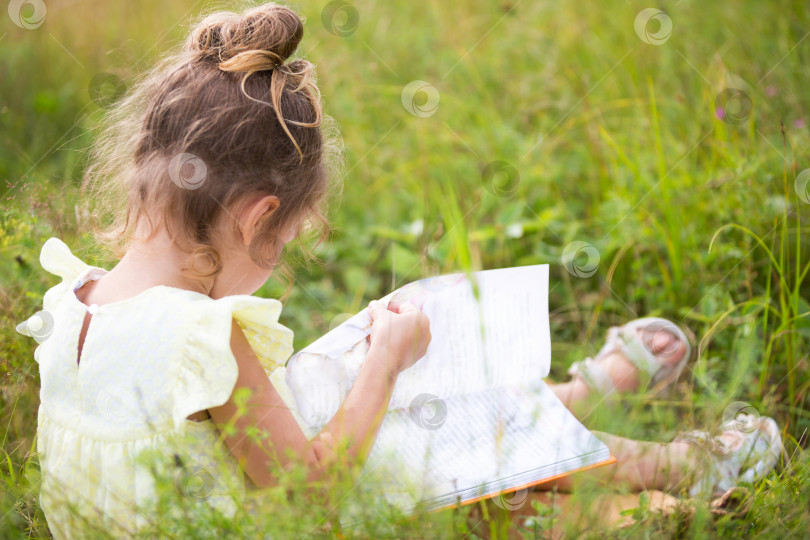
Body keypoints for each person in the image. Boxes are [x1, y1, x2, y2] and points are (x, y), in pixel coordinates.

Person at [15, 3, 782, 538]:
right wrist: (383, 359)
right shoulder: (202, 336)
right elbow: (310, 498)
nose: (275, 262)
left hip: (208, 503)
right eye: (282, 242)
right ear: (256, 217)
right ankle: (678, 470)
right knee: (426, 441)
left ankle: (580, 400)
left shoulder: (71, 303)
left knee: (369, 406)